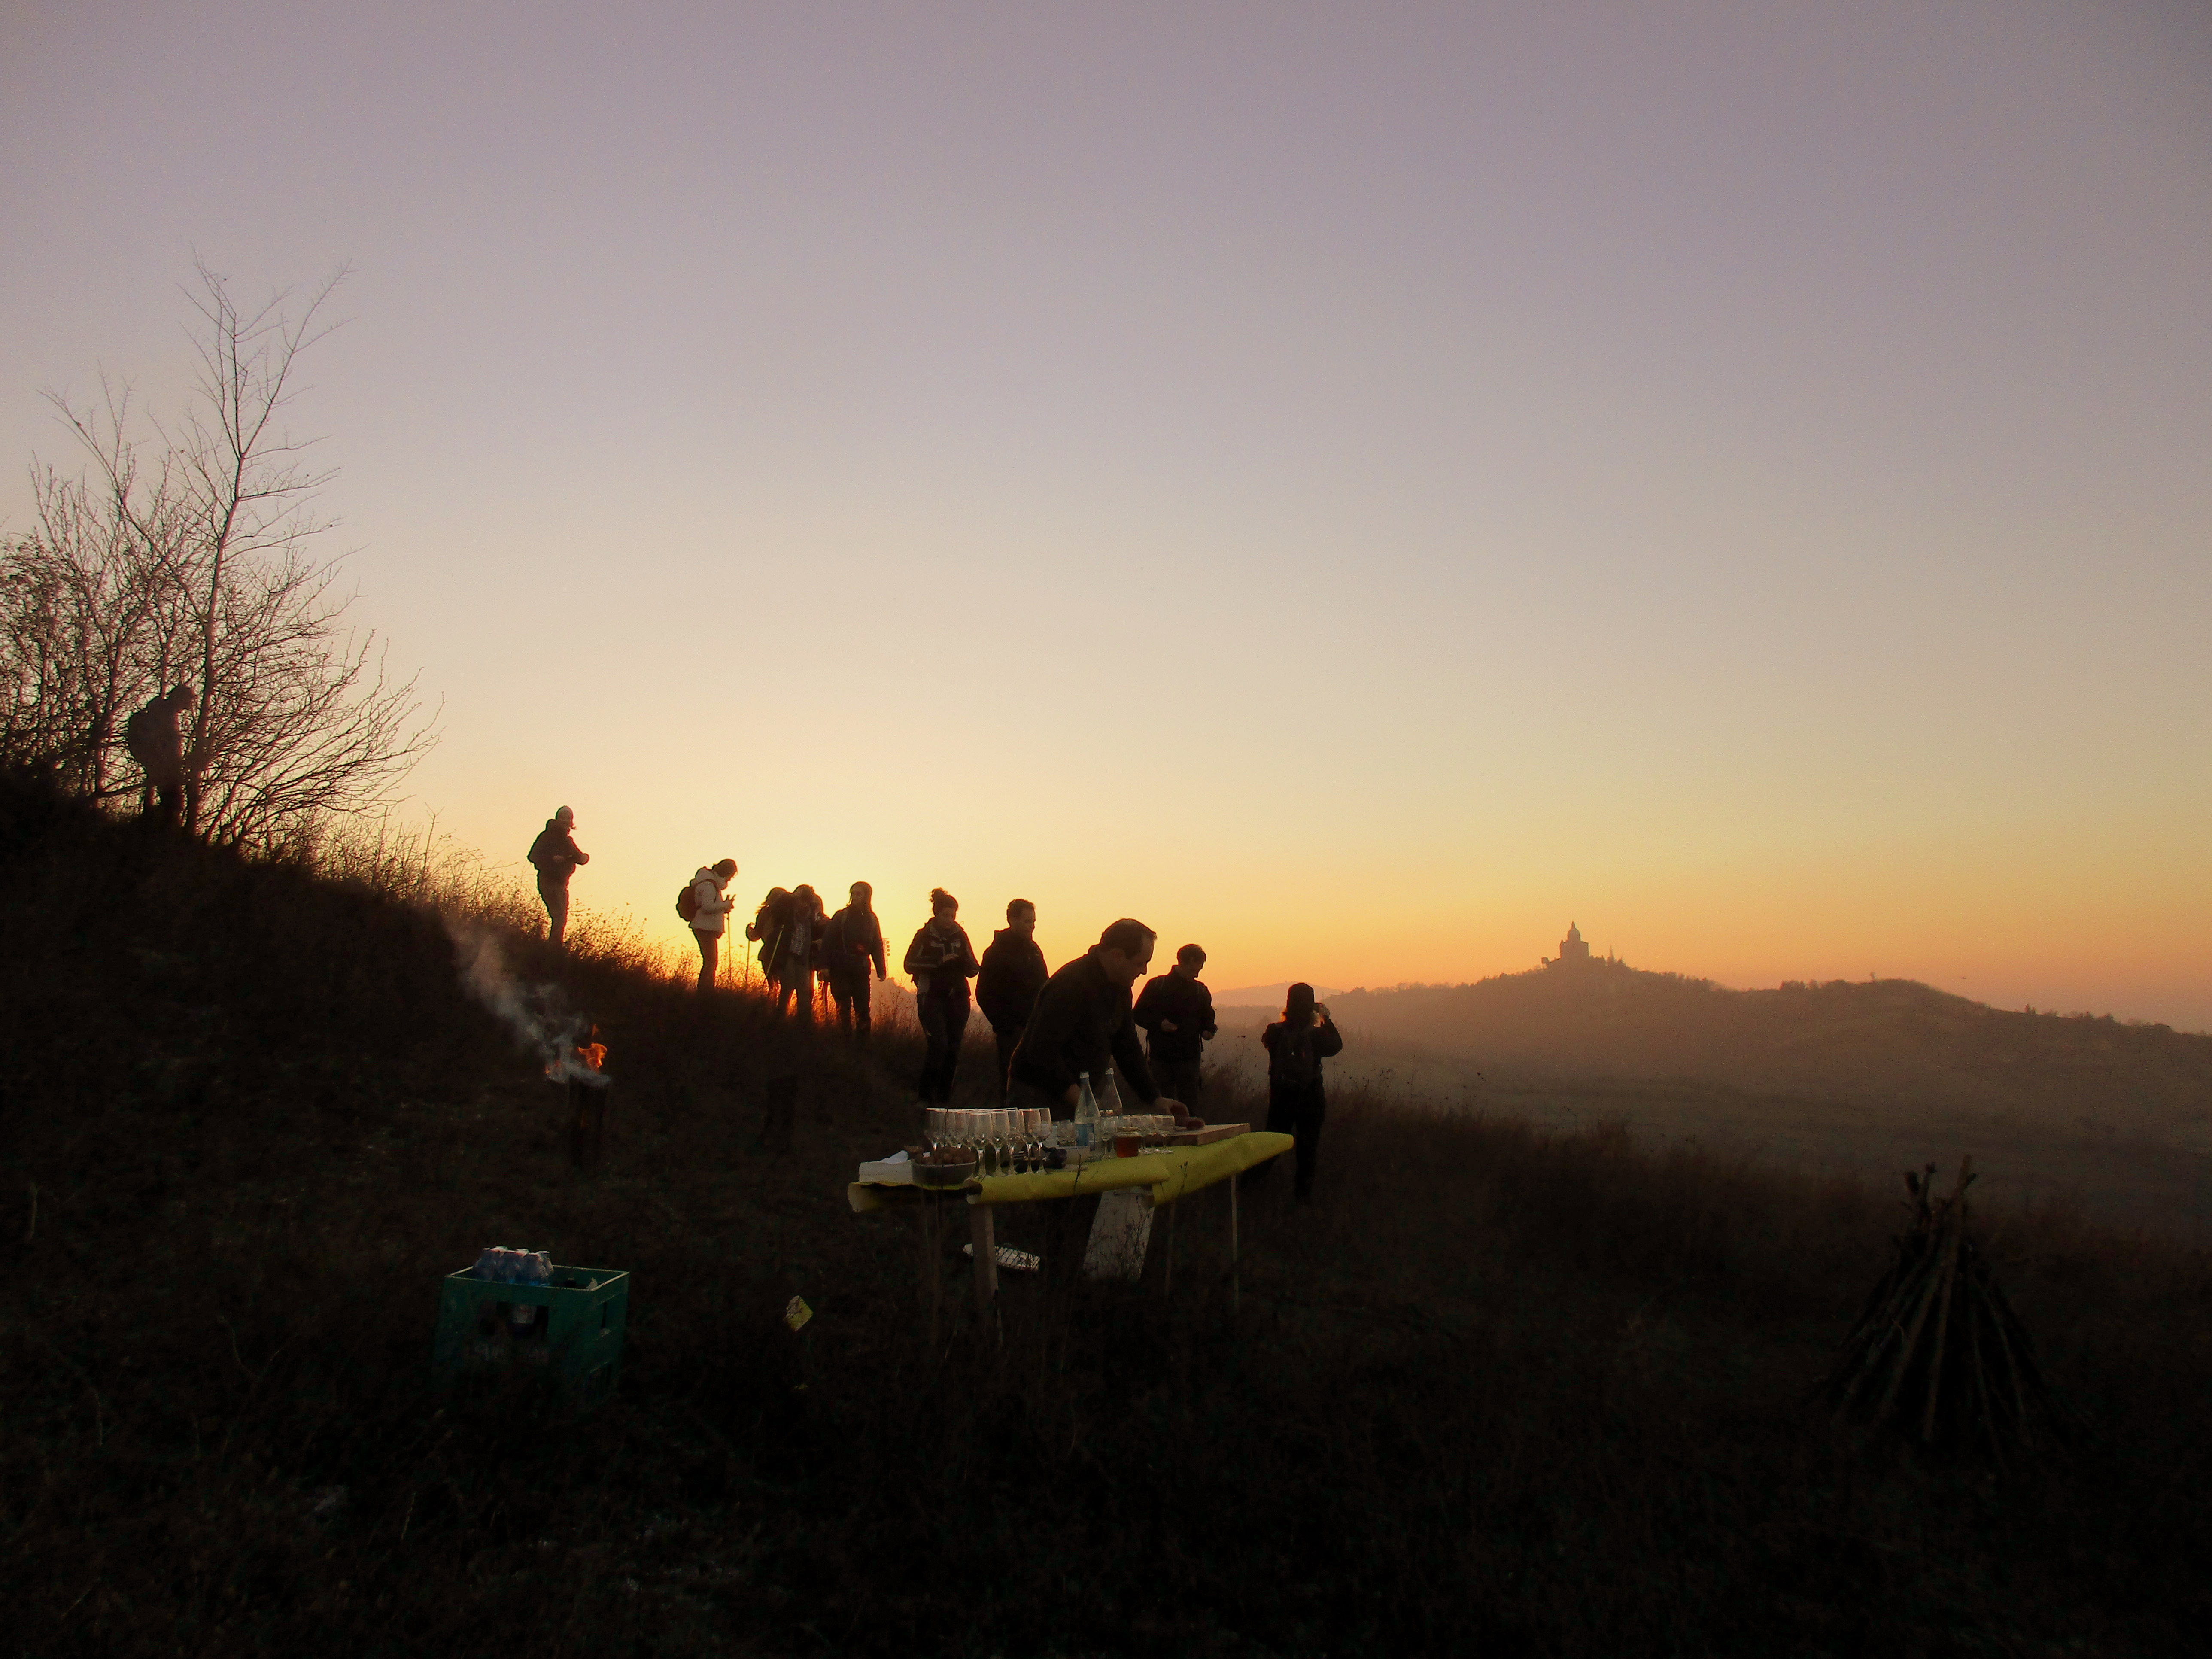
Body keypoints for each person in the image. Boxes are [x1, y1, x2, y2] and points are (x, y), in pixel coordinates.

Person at [1006, 918, 1185, 1120]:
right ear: (1118, 956)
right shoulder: (1070, 985)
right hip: (1037, 1100)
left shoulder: (1121, 987)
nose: (1144, 971)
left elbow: (1127, 1047)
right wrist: (1085, 1103)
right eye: (1140, 963)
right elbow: (1041, 1052)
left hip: (1080, 1097)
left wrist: (1155, 1098)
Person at [1261, 983, 1343, 1203]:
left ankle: (1249, 1187)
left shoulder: (1274, 1032)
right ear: (1311, 1007)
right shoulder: (1316, 1036)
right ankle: (1302, 1200)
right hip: (1311, 1096)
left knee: (1271, 1145)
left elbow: (1268, 1045)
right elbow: (1336, 1046)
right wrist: (1326, 1018)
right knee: (1307, 1151)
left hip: (1281, 1098)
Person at [903, 888, 981, 1104]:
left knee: (954, 1049)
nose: (950, 920)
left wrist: (960, 963)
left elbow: (974, 967)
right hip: (931, 997)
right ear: (936, 914)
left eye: (953, 916)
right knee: (939, 1045)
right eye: (946, 915)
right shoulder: (924, 935)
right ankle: (925, 1097)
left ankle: (945, 1099)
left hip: (958, 998)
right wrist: (939, 962)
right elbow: (909, 964)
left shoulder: (961, 936)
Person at [977, 898, 1048, 1102]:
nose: (1032, 926)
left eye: (1033, 922)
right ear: (1011, 920)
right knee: (1011, 1086)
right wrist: (1005, 1025)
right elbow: (984, 994)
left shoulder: (1034, 950)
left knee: (1038, 1085)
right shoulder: (995, 953)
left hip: (1036, 1029)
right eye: (1027, 922)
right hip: (1011, 1032)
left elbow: (1045, 986)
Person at [1133, 943, 1218, 1110]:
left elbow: (1208, 1019)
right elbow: (1138, 1014)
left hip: (1188, 1058)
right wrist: (1159, 1024)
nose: (1199, 971)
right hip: (1162, 1058)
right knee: (1163, 1105)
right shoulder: (1157, 986)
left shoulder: (1200, 990)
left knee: (1189, 1106)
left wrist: (1208, 1031)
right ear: (1191, 961)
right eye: (1199, 965)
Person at [820, 881, 888, 1042]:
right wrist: (824, 967)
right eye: (853, 893)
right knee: (843, 1010)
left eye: (859, 893)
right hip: (840, 970)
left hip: (861, 970)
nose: (855, 897)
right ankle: (844, 1047)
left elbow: (877, 945)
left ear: (867, 896)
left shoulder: (872, 919)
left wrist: (881, 970)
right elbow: (827, 942)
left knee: (863, 1011)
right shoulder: (841, 916)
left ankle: (863, 1049)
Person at [123, 684, 195, 830]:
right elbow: (162, 743)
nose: (187, 705)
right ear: (179, 698)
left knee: (172, 803)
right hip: (163, 766)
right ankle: (148, 831)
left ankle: (150, 829)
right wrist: (168, 764)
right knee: (173, 804)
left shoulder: (164, 712)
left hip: (163, 765)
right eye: (187, 701)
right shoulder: (164, 714)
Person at [526, 806, 590, 949]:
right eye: (562, 817)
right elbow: (533, 856)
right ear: (557, 819)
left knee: (561, 916)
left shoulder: (568, 841)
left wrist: (583, 858)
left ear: (571, 822)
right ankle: (553, 948)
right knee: (559, 915)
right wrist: (552, 859)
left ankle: (554, 947)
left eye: (568, 818)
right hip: (548, 880)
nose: (565, 821)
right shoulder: (547, 836)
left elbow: (580, 858)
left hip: (561, 883)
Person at [774, 884, 829, 1023]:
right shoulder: (788, 910)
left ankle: (804, 1024)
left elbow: (817, 932)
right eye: (803, 900)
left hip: (803, 957)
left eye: (807, 902)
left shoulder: (810, 917)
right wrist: (793, 896)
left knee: (805, 992)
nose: (805, 905)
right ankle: (780, 1020)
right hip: (788, 955)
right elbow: (776, 910)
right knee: (787, 987)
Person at [688, 859, 738, 992]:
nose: (730, 879)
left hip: (705, 927)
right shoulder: (709, 885)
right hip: (704, 927)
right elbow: (707, 907)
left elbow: (709, 906)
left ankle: (706, 991)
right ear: (726, 873)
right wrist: (726, 905)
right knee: (711, 962)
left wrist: (724, 907)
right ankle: (706, 992)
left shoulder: (709, 883)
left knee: (710, 962)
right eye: (730, 876)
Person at [746, 887, 792, 994]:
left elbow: (755, 936)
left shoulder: (765, 912)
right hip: (787, 953)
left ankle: (771, 1005)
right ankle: (782, 1008)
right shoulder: (791, 913)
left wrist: (749, 931)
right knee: (785, 986)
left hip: (768, 952)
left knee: (773, 985)